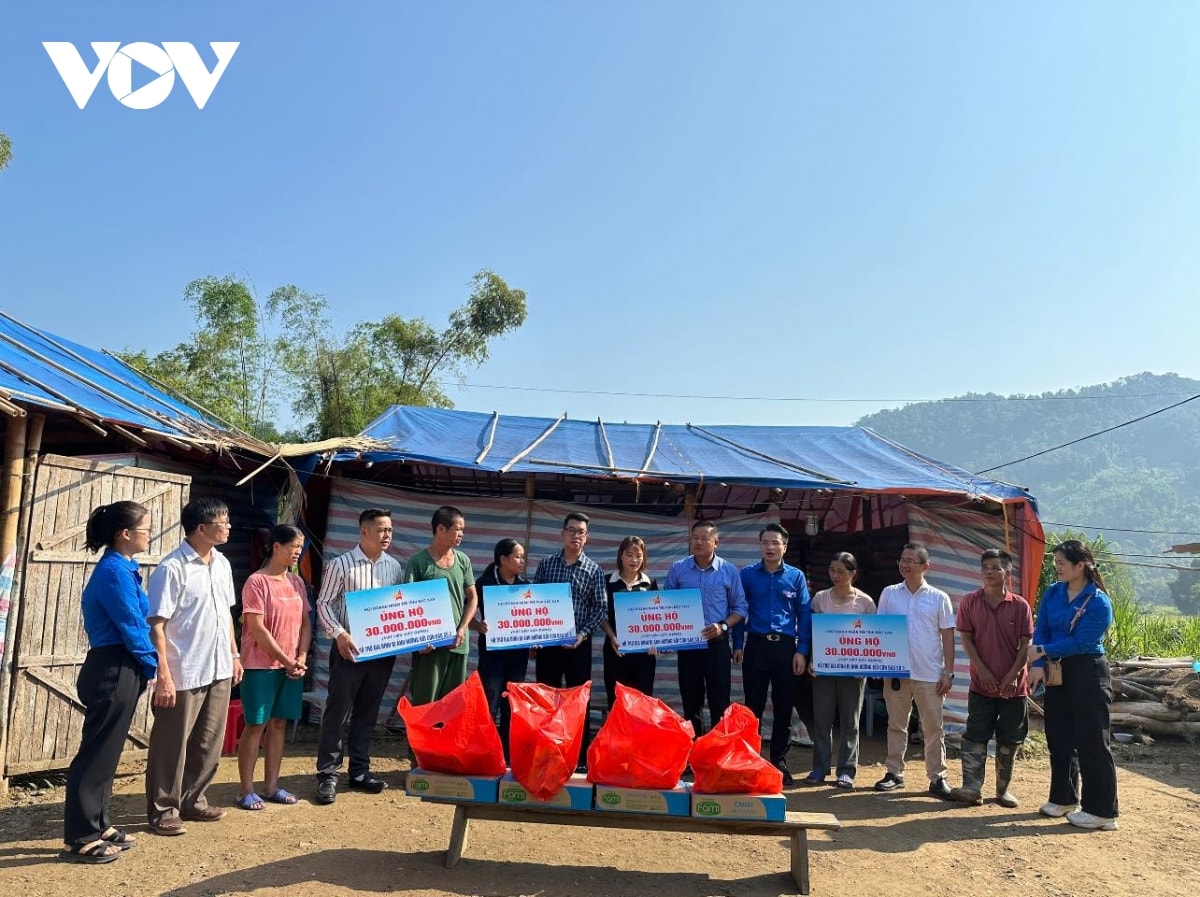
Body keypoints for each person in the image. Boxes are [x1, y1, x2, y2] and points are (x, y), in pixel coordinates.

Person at [61, 502, 156, 863]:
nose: (150, 534)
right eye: (146, 529)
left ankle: (99, 822)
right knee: (96, 753)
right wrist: (152, 666)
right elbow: (132, 626)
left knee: (108, 752)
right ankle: (81, 835)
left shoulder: (125, 568)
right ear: (125, 534)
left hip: (121, 664)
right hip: (114, 665)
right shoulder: (114, 572)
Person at [145, 497, 242, 836]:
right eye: (222, 521)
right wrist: (164, 675)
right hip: (183, 670)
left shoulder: (223, 564)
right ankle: (163, 810)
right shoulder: (172, 568)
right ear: (201, 528)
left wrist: (234, 655)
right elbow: (156, 625)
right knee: (171, 744)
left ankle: (193, 800)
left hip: (217, 667)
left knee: (209, 742)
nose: (228, 526)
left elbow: (226, 615)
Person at [314, 508, 404, 804]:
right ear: (363, 532)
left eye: (389, 530)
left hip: (382, 652)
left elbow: (397, 608)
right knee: (337, 711)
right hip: (349, 650)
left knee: (368, 711)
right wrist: (339, 633)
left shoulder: (394, 568)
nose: (387, 535)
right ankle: (328, 774)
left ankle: (360, 772)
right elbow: (324, 603)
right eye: (381, 530)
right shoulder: (342, 565)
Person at [1028, 540, 1119, 831]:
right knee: (1059, 736)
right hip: (1056, 670)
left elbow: (1082, 642)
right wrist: (1038, 664)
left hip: (1087, 671)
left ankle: (1102, 810)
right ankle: (1064, 798)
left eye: (1062, 563)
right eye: (1055, 563)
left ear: (1081, 565)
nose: (1057, 568)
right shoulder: (1054, 592)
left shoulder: (1098, 601)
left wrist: (1042, 650)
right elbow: (1041, 627)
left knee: (1092, 740)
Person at [235, 524, 312, 810]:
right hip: (260, 666)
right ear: (276, 546)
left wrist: (301, 656)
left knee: (279, 723)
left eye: (300, 547)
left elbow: (306, 623)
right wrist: (286, 658)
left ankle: (271, 785)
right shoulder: (256, 582)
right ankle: (245, 789)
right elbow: (257, 628)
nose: (297, 552)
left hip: (292, 667)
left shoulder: (297, 582)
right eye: (293, 546)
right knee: (256, 725)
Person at [950, 549, 1033, 807]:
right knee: (975, 735)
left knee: (1010, 738)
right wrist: (982, 670)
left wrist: (1012, 675)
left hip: (1014, 688)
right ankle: (971, 788)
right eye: (986, 567)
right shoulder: (970, 602)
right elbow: (966, 639)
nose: (989, 571)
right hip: (980, 685)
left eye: (996, 567)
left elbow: (1025, 645)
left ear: (1008, 572)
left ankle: (1002, 791)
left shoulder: (1020, 605)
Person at [874, 541, 956, 799]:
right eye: (902, 559)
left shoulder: (939, 598)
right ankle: (894, 773)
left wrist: (948, 672)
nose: (905, 565)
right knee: (896, 725)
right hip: (897, 672)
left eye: (911, 560)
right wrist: (881, 664)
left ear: (925, 566)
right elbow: (881, 631)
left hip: (930, 674)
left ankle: (937, 777)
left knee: (933, 728)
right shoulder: (889, 593)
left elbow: (948, 637)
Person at [733, 523, 810, 786]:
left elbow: (804, 615)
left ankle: (779, 762)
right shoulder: (747, 575)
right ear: (760, 545)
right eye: (765, 542)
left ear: (784, 546)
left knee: (783, 708)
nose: (769, 547)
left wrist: (802, 650)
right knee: (751, 708)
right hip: (756, 646)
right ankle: (750, 760)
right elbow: (740, 610)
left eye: (775, 543)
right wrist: (737, 644)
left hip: (786, 649)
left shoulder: (796, 577)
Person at [533, 512, 607, 762]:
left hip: (578, 645)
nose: (576, 535)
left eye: (581, 532)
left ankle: (578, 757)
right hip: (549, 645)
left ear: (587, 538)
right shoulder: (546, 564)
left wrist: (583, 633)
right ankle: (545, 751)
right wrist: (535, 635)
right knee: (546, 699)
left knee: (578, 702)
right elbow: (535, 601)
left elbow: (601, 608)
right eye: (572, 530)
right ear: (562, 533)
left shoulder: (594, 570)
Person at [664, 520, 747, 736]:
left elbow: (740, 608)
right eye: (695, 538)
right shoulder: (678, 568)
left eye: (704, 538)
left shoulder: (729, 571)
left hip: (717, 646)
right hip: (688, 646)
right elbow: (666, 605)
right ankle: (694, 753)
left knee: (720, 702)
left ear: (716, 542)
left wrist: (723, 626)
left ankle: (717, 755)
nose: (698, 542)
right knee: (691, 702)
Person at [808, 552, 876, 790]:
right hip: (823, 670)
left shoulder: (865, 603)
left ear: (853, 574)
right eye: (832, 570)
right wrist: (812, 659)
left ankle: (846, 770)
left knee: (850, 721)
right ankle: (819, 768)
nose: (835, 575)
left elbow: (872, 638)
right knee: (822, 720)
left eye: (841, 571)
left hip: (854, 672)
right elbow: (813, 632)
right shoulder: (819, 598)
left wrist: (864, 665)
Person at [404, 506, 478, 704]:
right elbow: (408, 604)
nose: (461, 534)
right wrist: (419, 639)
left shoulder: (463, 560)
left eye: (463, 530)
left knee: (452, 705)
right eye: (458, 529)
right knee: (425, 704)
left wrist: (462, 628)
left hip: (458, 644)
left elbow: (473, 598)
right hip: (430, 646)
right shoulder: (418, 562)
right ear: (441, 529)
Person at [471, 538, 529, 757]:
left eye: (523, 556)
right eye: (517, 556)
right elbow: (466, 612)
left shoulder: (525, 586)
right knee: (490, 701)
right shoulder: (484, 583)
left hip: (518, 656)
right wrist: (478, 625)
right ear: (503, 559)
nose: (522, 560)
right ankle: (484, 753)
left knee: (511, 703)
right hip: (492, 655)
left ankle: (506, 754)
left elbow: (533, 619)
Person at [600, 536, 660, 708]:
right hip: (616, 650)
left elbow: (656, 618)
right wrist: (612, 637)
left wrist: (655, 640)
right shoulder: (607, 581)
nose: (634, 560)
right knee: (617, 701)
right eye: (629, 554)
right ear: (620, 555)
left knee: (642, 702)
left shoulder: (650, 583)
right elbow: (600, 615)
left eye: (639, 556)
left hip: (644, 655)